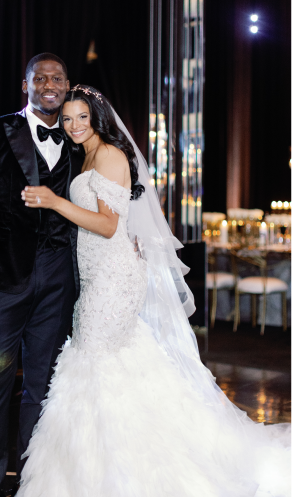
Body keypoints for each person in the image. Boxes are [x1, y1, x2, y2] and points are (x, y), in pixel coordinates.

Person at [19, 84, 292, 497]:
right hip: (96, 275)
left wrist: (54, 202)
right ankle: (97, 466)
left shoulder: (109, 154)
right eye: (69, 118)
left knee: (94, 360)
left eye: (82, 118)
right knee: (110, 363)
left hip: (114, 278)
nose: (74, 126)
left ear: (97, 119)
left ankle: (117, 471)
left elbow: (109, 225)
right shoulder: (86, 154)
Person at [0, 53, 84, 497]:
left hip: (57, 281)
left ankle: (33, 483)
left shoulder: (79, 139)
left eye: (57, 78)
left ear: (68, 86)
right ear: (25, 86)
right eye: (40, 77)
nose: (49, 84)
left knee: (42, 388)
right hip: (0, 283)